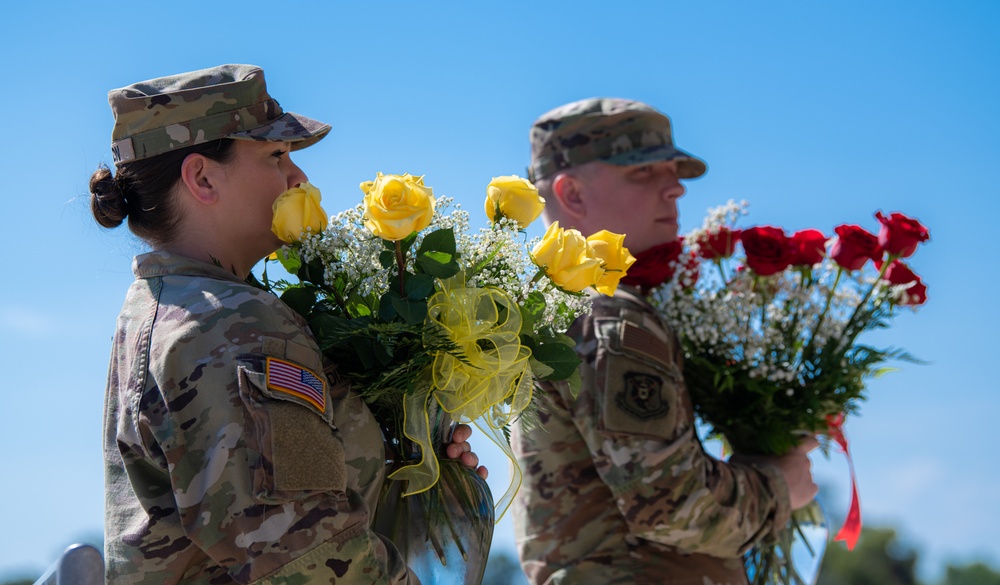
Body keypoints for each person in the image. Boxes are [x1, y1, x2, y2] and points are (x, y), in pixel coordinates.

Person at [91, 64, 486, 584]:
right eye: (276, 156)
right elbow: (310, 558)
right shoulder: (231, 324)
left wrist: (413, 470)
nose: (298, 177)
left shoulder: (174, 309)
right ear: (202, 177)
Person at [511, 98, 819, 585]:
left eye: (673, 170)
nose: (675, 188)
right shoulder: (611, 316)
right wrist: (781, 485)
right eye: (643, 172)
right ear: (571, 193)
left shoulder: (558, 310)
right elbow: (671, 507)